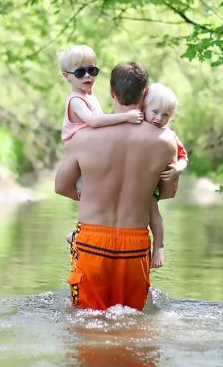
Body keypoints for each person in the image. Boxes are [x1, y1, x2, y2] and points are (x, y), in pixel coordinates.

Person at [55, 61, 178, 311]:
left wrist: (93, 195)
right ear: (145, 93)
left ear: (111, 92)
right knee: (132, 322)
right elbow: (168, 192)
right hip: (135, 244)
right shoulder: (166, 141)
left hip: (91, 240)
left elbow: (60, 186)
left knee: (87, 323)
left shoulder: (84, 137)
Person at [59, 44, 143, 242]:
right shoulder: (75, 100)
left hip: (92, 153)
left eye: (92, 70)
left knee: (97, 194)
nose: (87, 76)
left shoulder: (91, 98)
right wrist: (126, 117)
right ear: (67, 76)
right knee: (89, 195)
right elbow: (95, 121)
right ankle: (77, 234)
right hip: (80, 158)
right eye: (80, 72)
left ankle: (94, 230)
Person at [143, 83, 189, 269]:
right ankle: (79, 231)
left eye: (165, 115)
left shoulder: (169, 134)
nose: (158, 118)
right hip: (129, 180)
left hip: (150, 184)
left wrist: (178, 168)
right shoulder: (136, 124)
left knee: (154, 214)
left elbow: (184, 157)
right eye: (154, 112)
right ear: (143, 107)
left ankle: (159, 245)